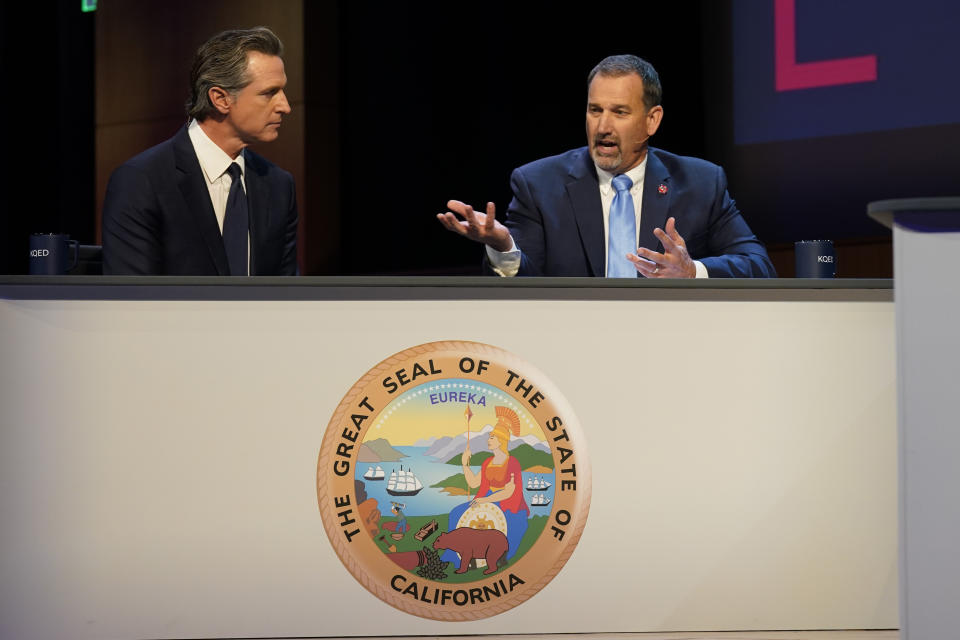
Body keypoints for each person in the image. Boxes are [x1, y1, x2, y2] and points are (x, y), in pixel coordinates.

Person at [437, 55, 776, 278]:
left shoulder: (701, 183)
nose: (603, 127)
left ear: (651, 120)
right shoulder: (538, 184)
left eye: (620, 112)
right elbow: (525, 286)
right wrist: (503, 248)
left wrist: (693, 271)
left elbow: (759, 265)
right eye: (595, 110)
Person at [102, 27, 298, 275]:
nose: (285, 106)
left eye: (282, 91)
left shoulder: (279, 185)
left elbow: (285, 295)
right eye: (269, 93)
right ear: (220, 99)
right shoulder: (142, 181)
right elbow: (132, 300)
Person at [441, 406, 530, 567]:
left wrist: (484, 500)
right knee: (456, 513)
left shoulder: (512, 463)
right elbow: (474, 483)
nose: (488, 440)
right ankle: (454, 555)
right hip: (487, 497)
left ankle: (491, 558)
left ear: (501, 440)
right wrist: (464, 464)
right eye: (489, 437)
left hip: (505, 502)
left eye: (492, 438)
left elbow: (509, 492)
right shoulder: (487, 462)